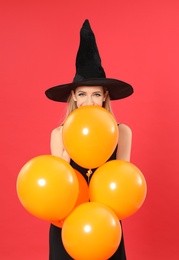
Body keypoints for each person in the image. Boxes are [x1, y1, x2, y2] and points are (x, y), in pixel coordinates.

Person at [45, 19, 133, 260]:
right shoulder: (58, 134)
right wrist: (71, 143)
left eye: (96, 94)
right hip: (68, 223)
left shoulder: (122, 132)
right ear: (74, 96)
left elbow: (122, 182)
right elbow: (58, 185)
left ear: (105, 97)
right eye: (82, 94)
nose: (89, 101)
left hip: (104, 224)